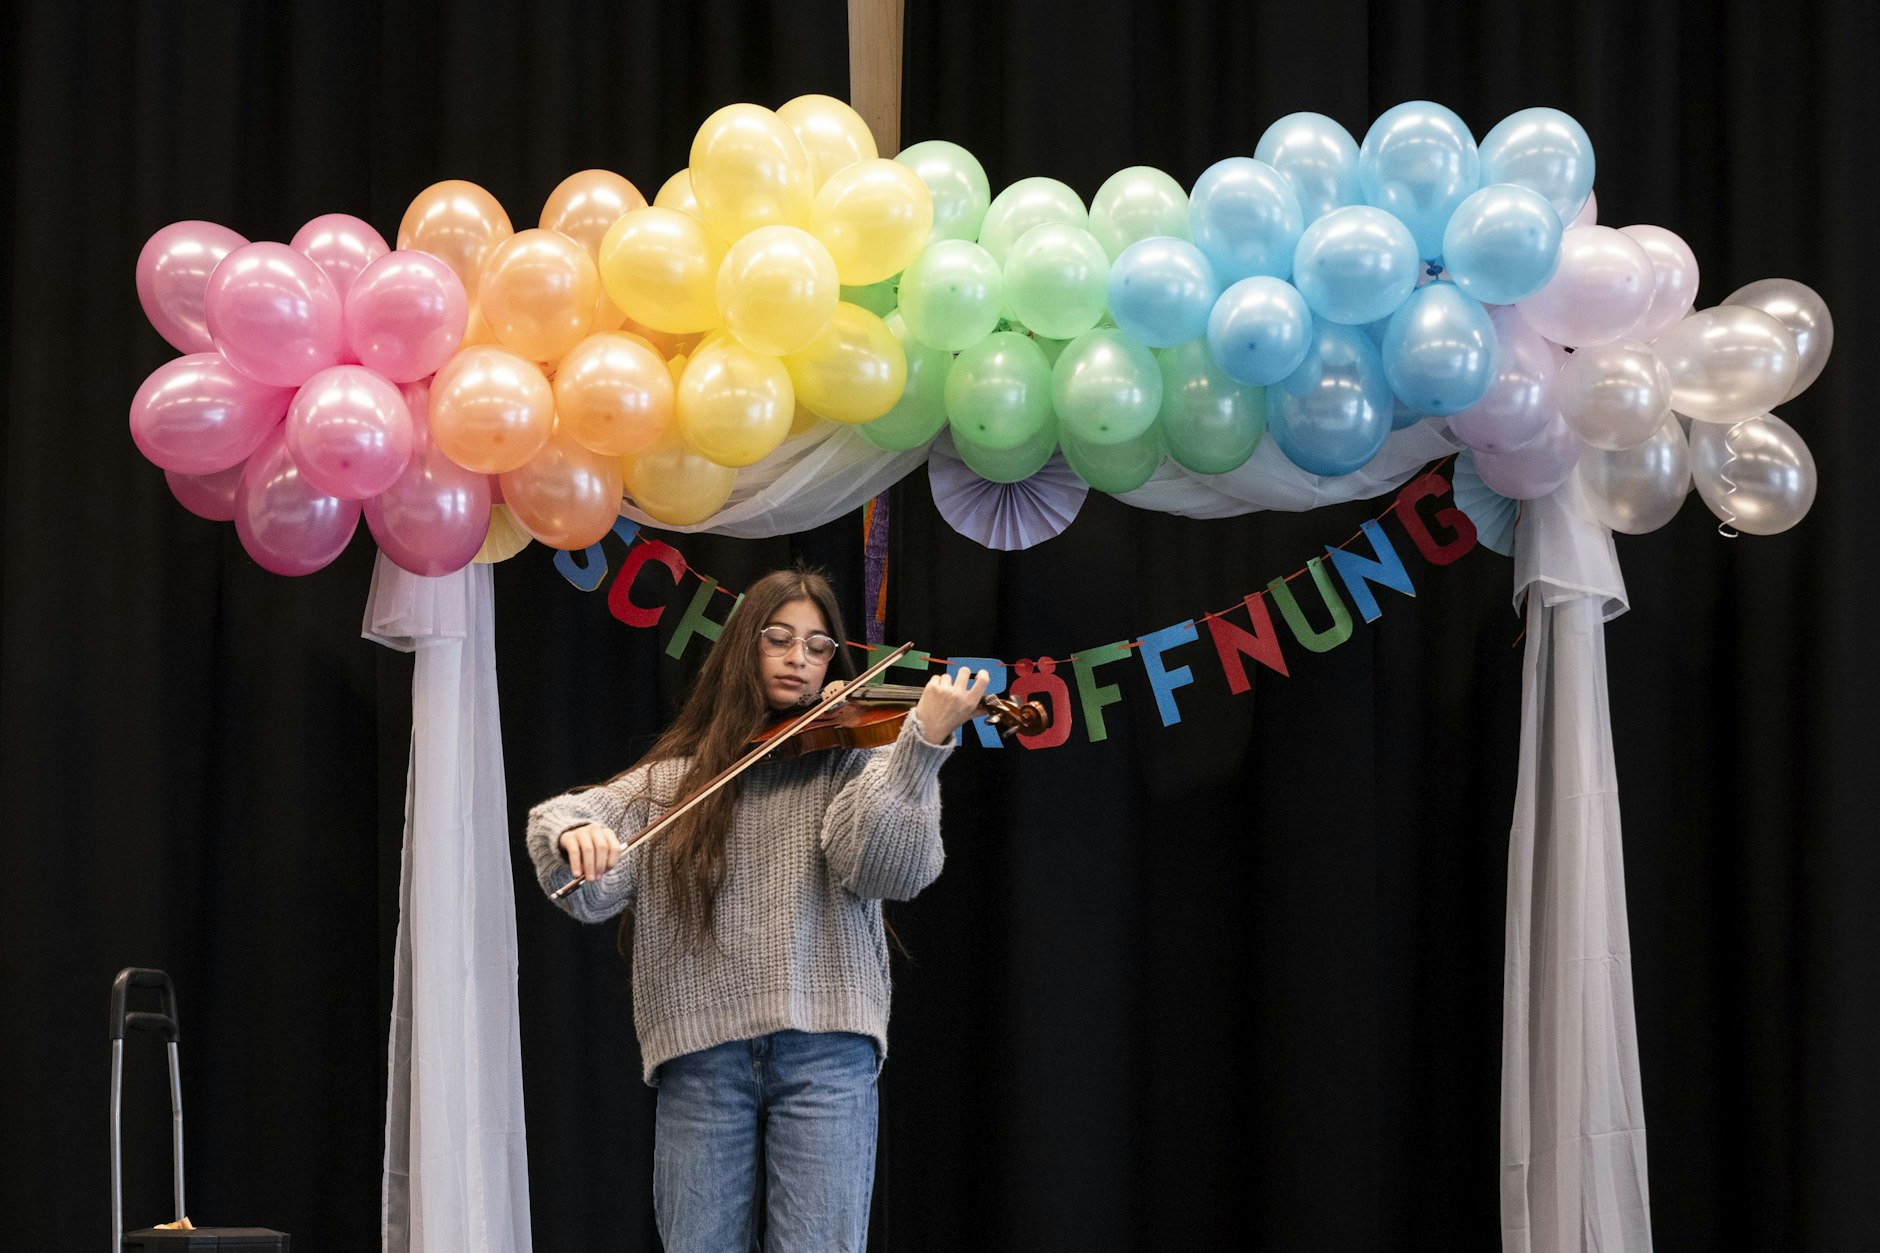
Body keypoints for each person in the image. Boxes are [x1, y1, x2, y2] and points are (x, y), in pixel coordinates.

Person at [524, 565, 990, 1252]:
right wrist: (573, 836)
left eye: (818, 645)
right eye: (779, 638)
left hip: (828, 1056)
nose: (799, 657)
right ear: (744, 646)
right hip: (702, 1057)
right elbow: (563, 827)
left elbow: (889, 867)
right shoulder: (678, 780)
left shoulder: (859, 759)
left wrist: (917, 749)